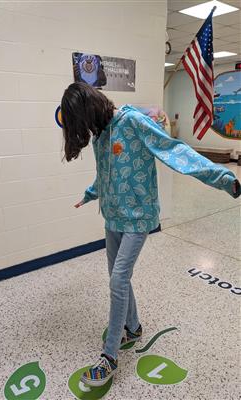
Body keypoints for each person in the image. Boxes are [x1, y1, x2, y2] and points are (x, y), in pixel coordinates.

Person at [60, 82, 240, 387]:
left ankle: (110, 357)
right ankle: (133, 326)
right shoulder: (101, 134)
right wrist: (91, 194)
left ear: (91, 108)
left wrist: (222, 177)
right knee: (119, 278)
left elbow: (174, 151)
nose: (87, 130)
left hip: (138, 218)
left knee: (118, 280)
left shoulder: (132, 122)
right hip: (112, 217)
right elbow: (105, 173)